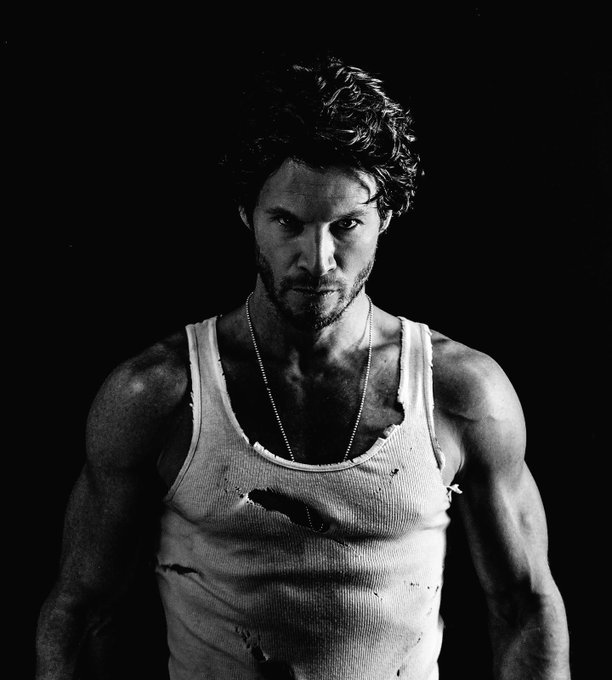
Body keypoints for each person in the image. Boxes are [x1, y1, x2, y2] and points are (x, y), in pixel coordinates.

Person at [36, 55, 571, 679]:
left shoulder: (460, 392)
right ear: (247, 212)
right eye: (288, 222)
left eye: (346, 225)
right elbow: (83, 613)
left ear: (385, 218)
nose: (317, 260)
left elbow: (526, 606)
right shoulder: (159, 393)